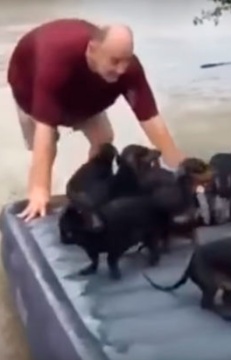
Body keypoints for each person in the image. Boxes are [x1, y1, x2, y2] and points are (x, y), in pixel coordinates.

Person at [7, 19, 186, 222]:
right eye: (115, 61)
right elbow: (45, 130)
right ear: (92, 50)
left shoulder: (128, 69)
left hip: (85, 96)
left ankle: (88, 188)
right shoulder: (55, 61)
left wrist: (180, 167)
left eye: (126, 61)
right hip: (31, 91)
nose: (121, 70)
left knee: (104, 139)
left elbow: (151, 120)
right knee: (48, 144)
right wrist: (40, 190)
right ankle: (38, 192)